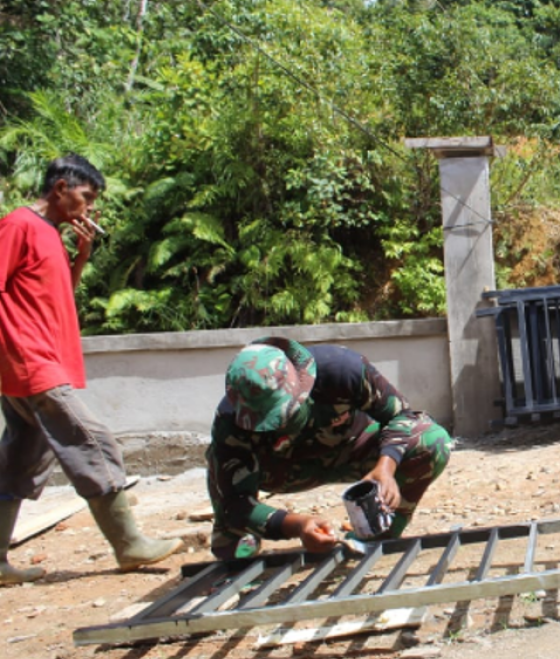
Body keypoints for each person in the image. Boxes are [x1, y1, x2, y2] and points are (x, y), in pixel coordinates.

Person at [0, 155, 181, 585]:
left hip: (37, 360)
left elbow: (57, 294)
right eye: (85, 196)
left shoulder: (50, 235)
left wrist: (81, 256)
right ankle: (129, 544)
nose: (87, 207)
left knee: (22, 458)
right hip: (30, 360)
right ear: (61, 187)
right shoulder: (18, 225)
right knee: (92, 439)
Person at [206, 336, 452, 560]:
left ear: (303, 387)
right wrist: (297, 525)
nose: (279, 426)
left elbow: (403, 416)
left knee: (431, 440)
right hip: (283, 470)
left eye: (285, 415)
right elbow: (235, 502)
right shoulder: (230, 419)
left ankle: (376, 533)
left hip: (354, 451)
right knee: (221, 475)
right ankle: (241, 544)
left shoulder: (341, 369)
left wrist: (385, 466)